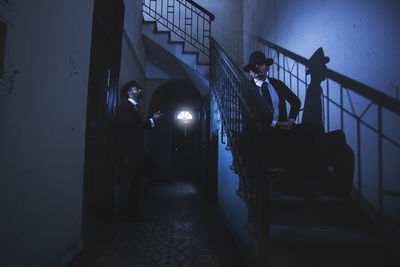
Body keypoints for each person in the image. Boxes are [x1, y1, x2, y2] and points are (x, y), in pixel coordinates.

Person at [243, 51, 303, 168]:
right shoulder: (248, 89)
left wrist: (291, 121)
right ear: (251, 71)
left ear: (267, 67)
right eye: (254, 66)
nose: (257, 67)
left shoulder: (277, 84)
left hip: (283, 131)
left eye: (260, 64)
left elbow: (296, 102)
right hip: (262, 134)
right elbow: (250, 116)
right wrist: (277, 124)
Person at [116, 80, 164, 221]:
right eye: (137, 88)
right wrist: (152, 120)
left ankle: (134, 212)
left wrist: (151, 121)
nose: (140, 90)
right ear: (129, 92)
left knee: (139, 180)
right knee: (136, 182)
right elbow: (132, 128)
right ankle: (134, 213)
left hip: (136, 151)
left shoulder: (134, 107)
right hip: (131, 152)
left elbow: (136, 127)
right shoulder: (126, 107)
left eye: (140, 88)